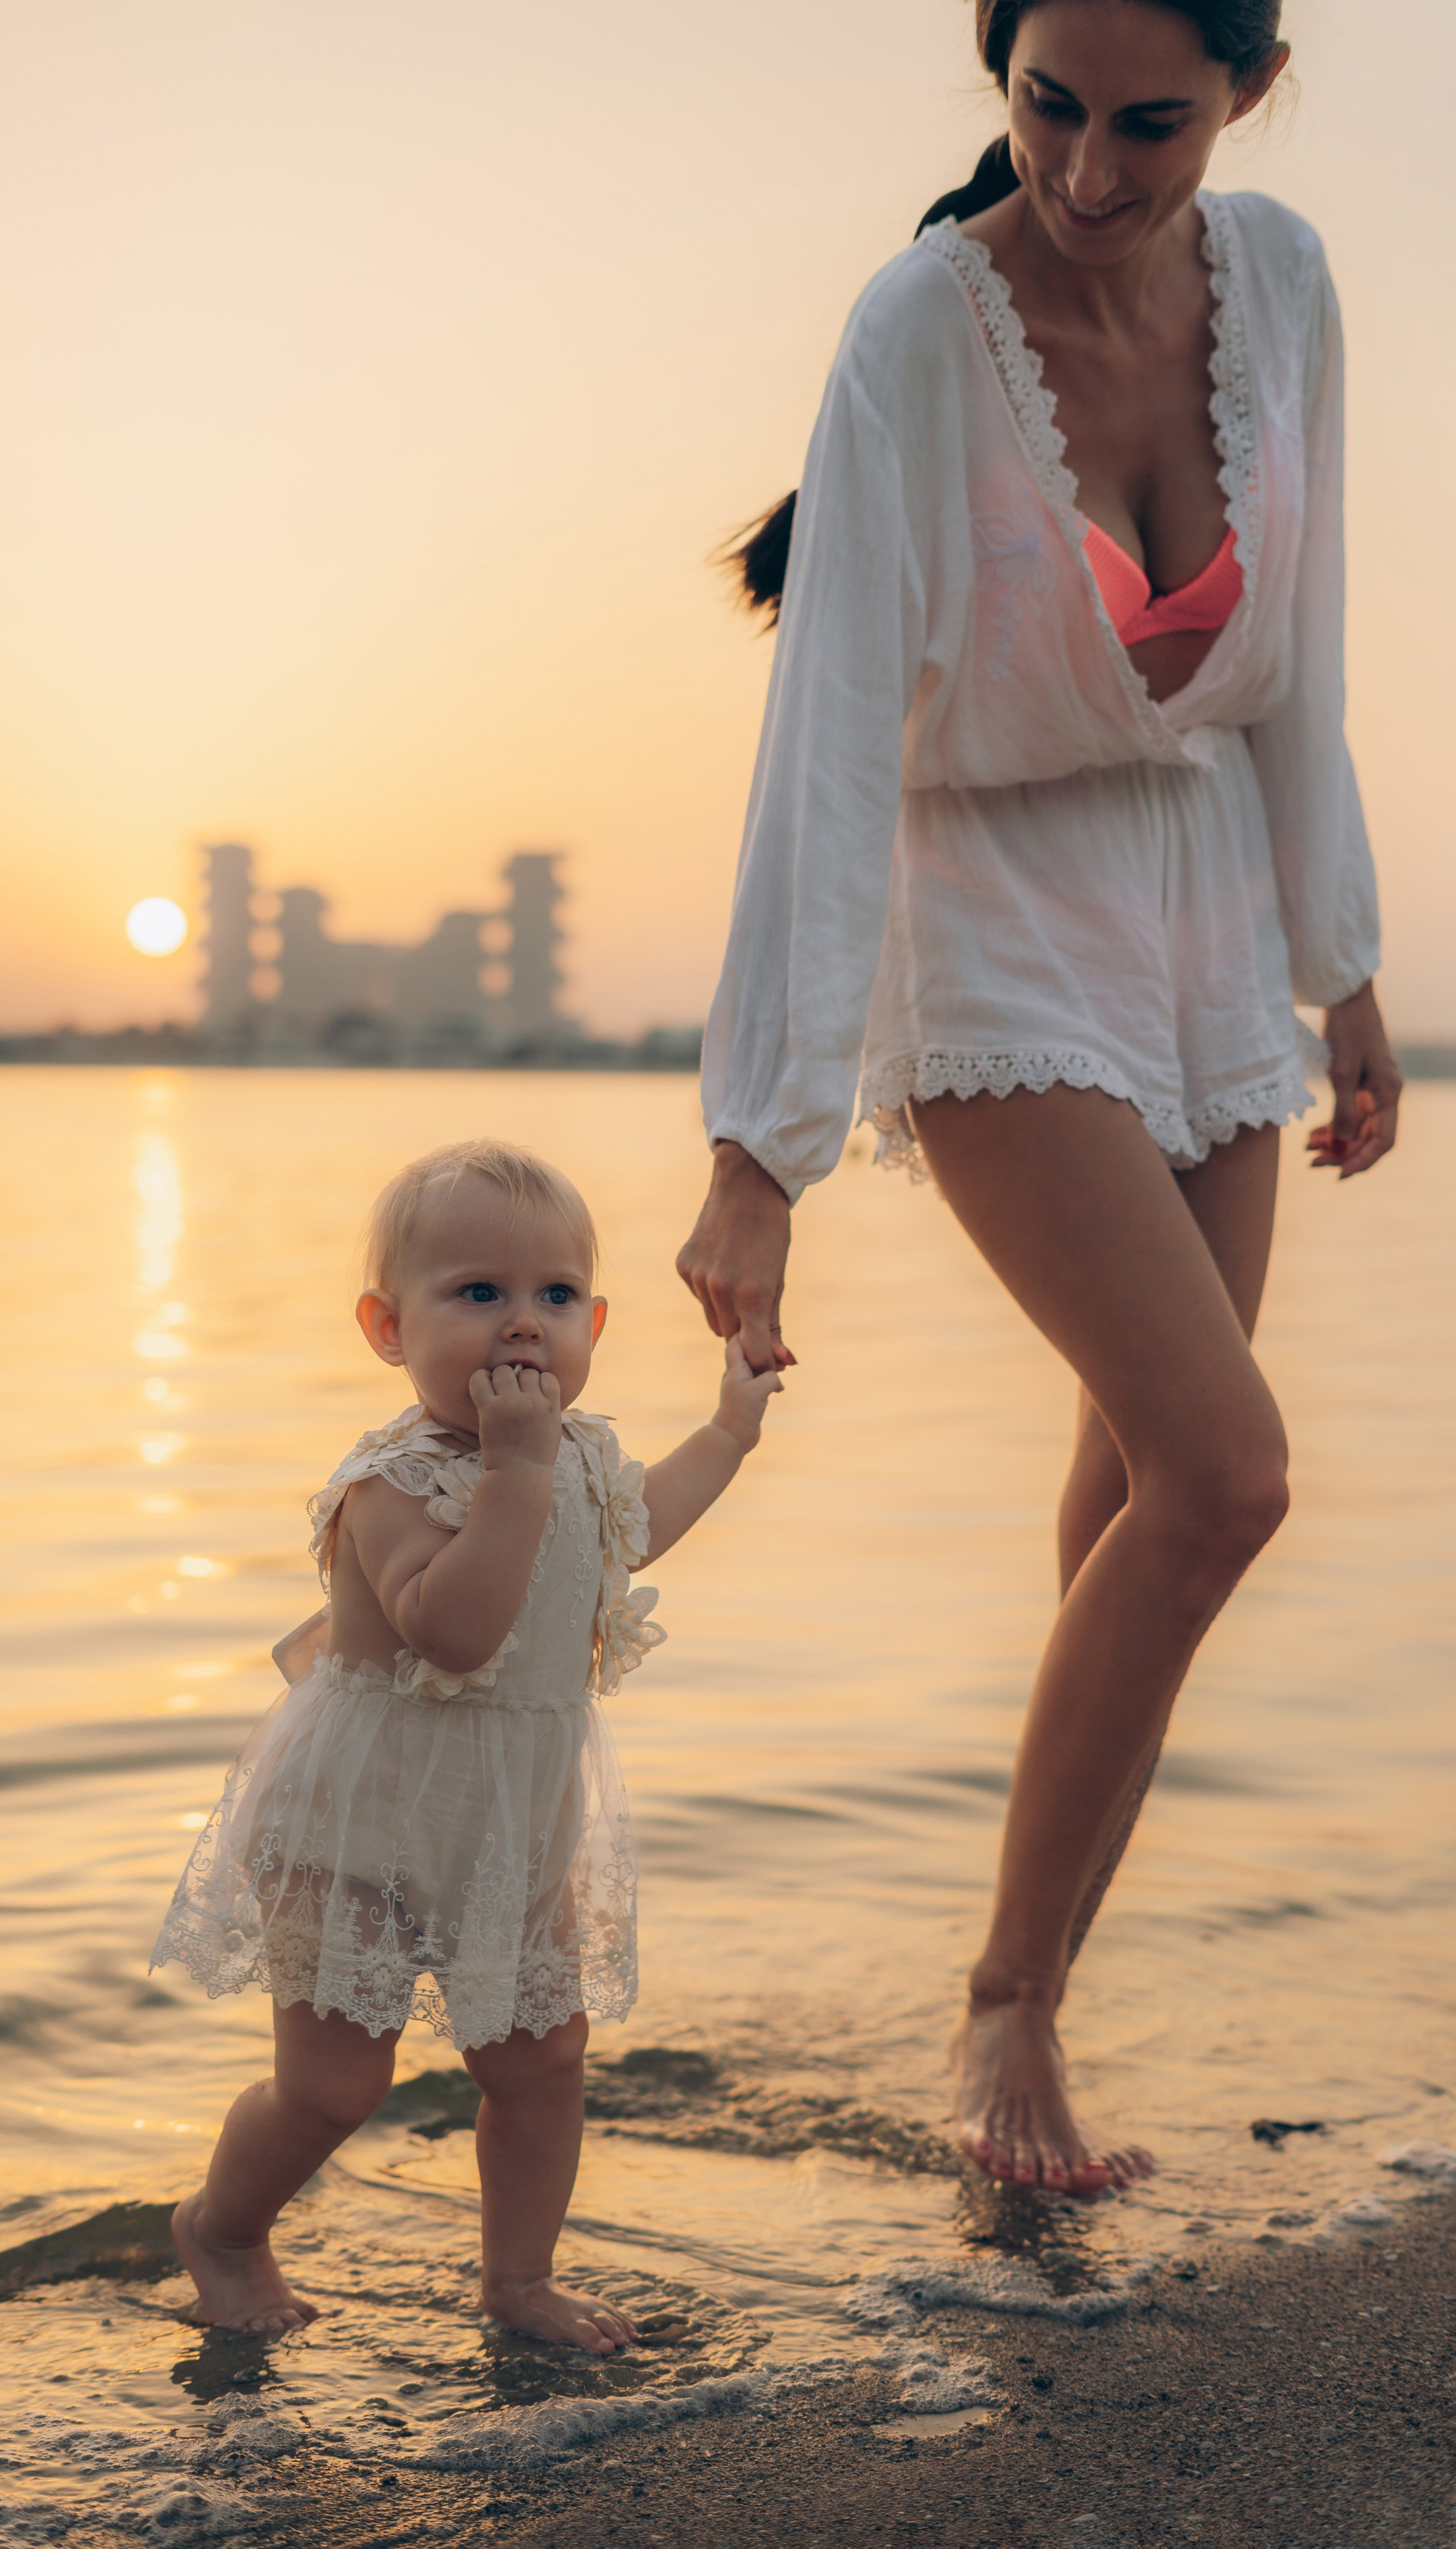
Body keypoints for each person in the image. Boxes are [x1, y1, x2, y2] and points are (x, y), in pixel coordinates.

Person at [678, 0, 1401, 2197]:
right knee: (1228, 1477)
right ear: (997, 78)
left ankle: (1036, 2007)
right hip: (982, 911)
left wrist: (1340, 966)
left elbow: (1313, 644)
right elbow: (819, 743)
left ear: (1255, 88)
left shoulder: (1281, 281)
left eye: (1151, 120)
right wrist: (761, 1145)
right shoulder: (922, 329)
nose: (1090, 167)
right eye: (1047, 107)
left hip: (1197, 910)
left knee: (1134, 1512)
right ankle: (1004, 2015)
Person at [152, 1138, 782, 2343]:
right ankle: (220, 2232)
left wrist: (733, 1433)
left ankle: (518, 2282)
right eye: (477, 1294)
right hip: (358, 1825)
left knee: (542, 2064)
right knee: (337, 2082)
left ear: (596, 1318)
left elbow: (632, 1535)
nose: (521, 1328)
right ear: (389, 1328)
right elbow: (452, 1631)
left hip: (509, 1824)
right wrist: (512, 1474)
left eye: (553, 1297)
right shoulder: (390, 1484)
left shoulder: (574, 1459)